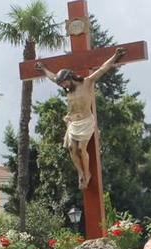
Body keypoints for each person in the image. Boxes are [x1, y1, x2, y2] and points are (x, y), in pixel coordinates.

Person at [36, 47, 127, 189]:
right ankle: (80, 174)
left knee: (80, 149)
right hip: (73, 122)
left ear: (70, 77)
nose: (64, 86)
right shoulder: (67, 89)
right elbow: (53, 77)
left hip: (86, 121)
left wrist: (115, 56)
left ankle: (88, 173)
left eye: (64, 83)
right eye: (62, 85)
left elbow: (103, 69)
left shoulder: (87, 83)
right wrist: (43, 69)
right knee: (72, 148)